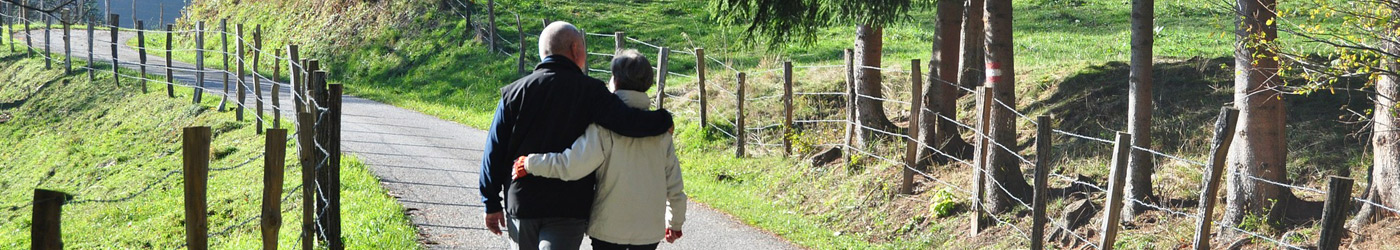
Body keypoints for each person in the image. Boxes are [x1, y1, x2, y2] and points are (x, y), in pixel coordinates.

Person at [480, 22, 674, 250]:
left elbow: (494, 151)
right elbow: (628, 122)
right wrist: (663, 119)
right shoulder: (592, 91)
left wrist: (491, 203)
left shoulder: (513, 93)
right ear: (575, 49)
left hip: (522, 203)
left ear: (543, 53)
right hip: (569, 207)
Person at [511, 49, 687, 250]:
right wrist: (675, 223)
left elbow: (572, 165)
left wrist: (530, 163)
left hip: (609, 228)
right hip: (649, 231)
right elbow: (674, 185)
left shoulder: (603, 129)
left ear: (616, 81)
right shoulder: (661, 131)